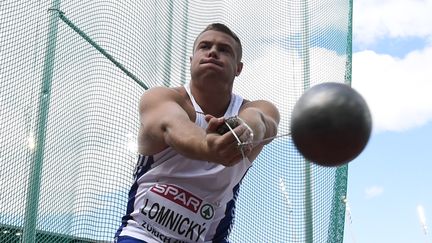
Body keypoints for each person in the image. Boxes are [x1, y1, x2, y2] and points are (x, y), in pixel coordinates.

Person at [115, 23, 280, 243]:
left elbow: (262, 120)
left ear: (239, 68)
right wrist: (208, 147)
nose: (213, 51)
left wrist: (244, 130)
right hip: (142, 236)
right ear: (191, 60)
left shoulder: (254, 109)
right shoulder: (161, 98)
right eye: (205, 46)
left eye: (224, 49)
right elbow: (172, 125)